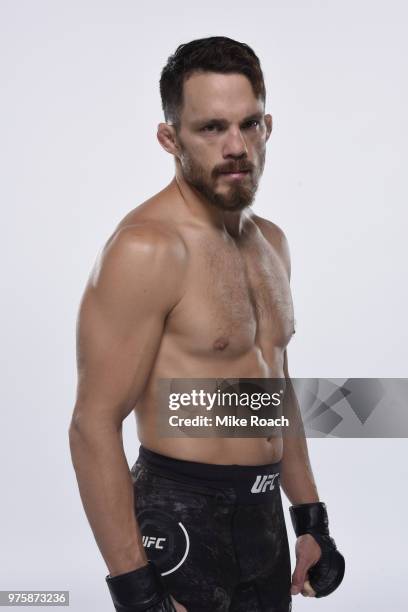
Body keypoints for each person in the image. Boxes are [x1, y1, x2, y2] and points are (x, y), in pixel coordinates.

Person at [69, 36, 344, 612]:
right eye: (211, 128)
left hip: (263, 519)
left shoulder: (271, 243)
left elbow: (272, 394)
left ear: (269, 125)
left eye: (249, 124)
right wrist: (136, 590)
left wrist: (311, 519)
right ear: (170, 138)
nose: (236, 146)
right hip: (180, 519)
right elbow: (92, 427)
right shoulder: (147, 249)